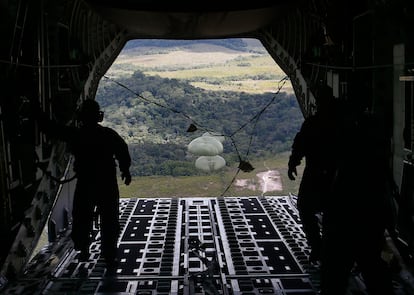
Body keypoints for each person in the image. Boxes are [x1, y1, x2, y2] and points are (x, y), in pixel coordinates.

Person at [37, 99, 132, 271]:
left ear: (81, 117)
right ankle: (109, 255)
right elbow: (122, 151)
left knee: (81, 217)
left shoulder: (76, 134)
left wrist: (36, 107)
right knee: (109, 220)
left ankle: (83, 248)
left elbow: (51, 128)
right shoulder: (108, 134)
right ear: (99, 116)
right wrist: (125, 171)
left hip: (86, 183)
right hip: (106, 183)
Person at [320, 96, 395, 294]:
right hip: (367, 218)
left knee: (335, 276)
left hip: (344, 219)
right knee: (373, 268)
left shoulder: (345, 146)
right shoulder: (373, 148)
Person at [288, 85, 337, 265]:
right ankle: (328, 248)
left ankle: (318, 247)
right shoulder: (344, 123)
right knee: (334, 214)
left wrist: (293, 163)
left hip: (316, 173)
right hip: (337, 176)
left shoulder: (313, 123)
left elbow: (300, 143)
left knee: (305, 208)